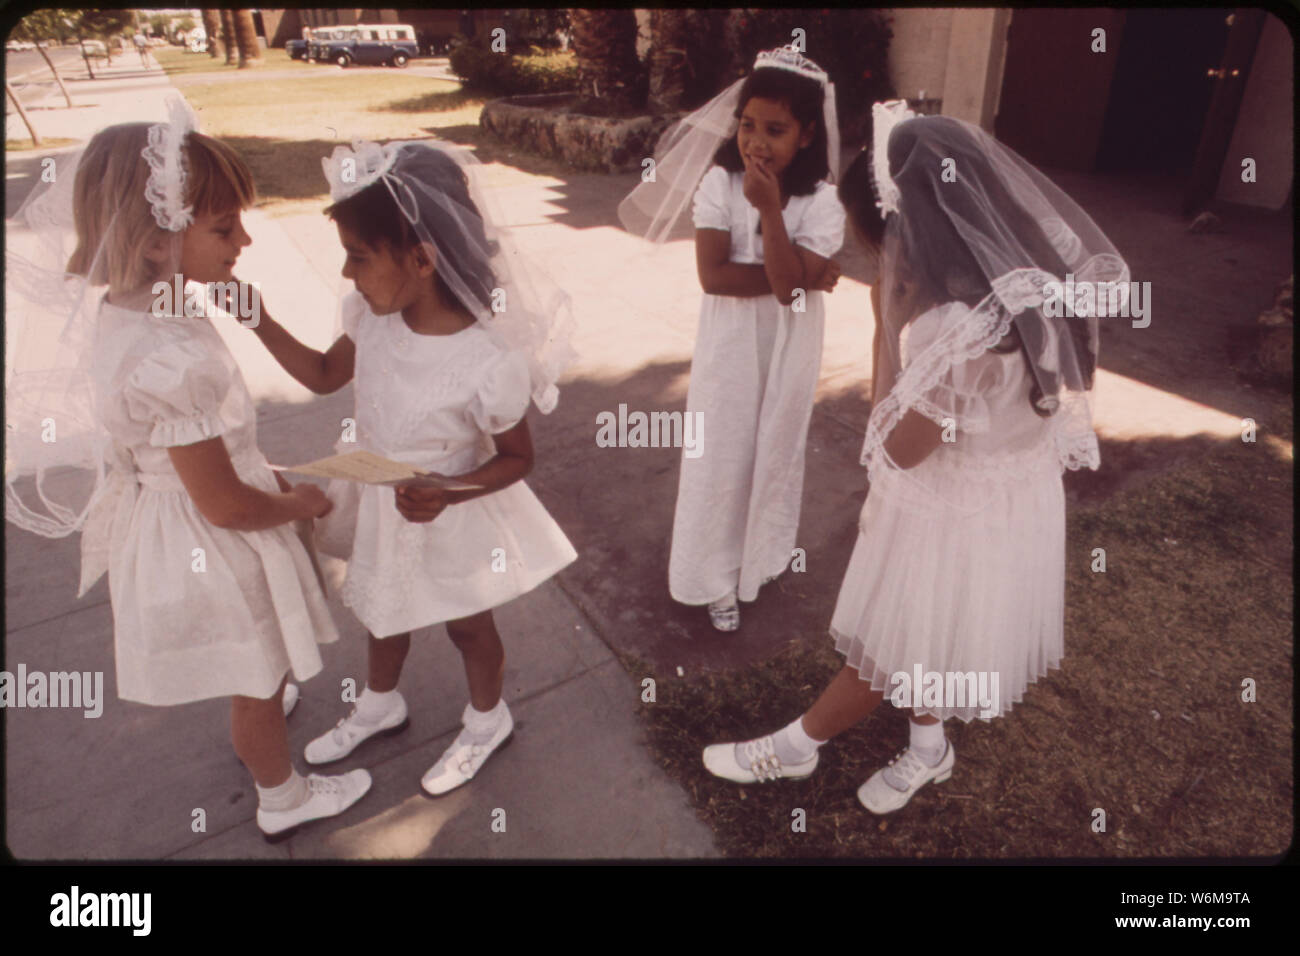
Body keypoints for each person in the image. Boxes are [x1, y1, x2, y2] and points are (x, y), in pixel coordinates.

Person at [701, 101, 1129, 812]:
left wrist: (883, 331)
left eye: (883, 241)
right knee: (935, 623)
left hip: (948, 507)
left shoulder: (941, 327)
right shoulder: (1040, 285)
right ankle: (930, 746)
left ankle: (796, 746)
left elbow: (898, 447)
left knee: (889, 639)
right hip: (1014, 495)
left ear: (907, 228)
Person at [3, 100, 372, 842]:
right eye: (223, 227)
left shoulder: (143, 309)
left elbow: (189, 454)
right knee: (255, 679)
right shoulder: (169, 359)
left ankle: (260, 699)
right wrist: (299, 501)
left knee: (255, 669)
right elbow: (227, 506)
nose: (243, 238)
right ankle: (283, 794)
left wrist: (245, 315)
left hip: (185, 520)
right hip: (214, 538)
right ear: (152, 241)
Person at [240, 139, 577, 796]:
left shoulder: (487, 358)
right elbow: (320, 373)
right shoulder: (373, 317)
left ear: (423, 259)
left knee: (467, 623)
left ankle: (487, 719)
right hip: (380, 499)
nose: (347, 273)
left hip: (449, 512)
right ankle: (379, 702)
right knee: (380, 604)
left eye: (359, 257)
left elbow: (517, 458)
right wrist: (259, 321)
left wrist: (450, 490)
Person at [619, 45, 846, 632]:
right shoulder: (720, 183)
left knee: (773, 446)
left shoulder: (822, 202)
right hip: (729, 346)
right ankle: (709, 576)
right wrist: (798, 273)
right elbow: (714, 275)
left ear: (807, 134)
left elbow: (789, 295)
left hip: (789, 346)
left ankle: (756, 560)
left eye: (775, 130)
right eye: (748, 125)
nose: (756, 142)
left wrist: (772, 216)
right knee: (720, 451)